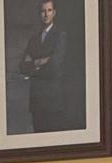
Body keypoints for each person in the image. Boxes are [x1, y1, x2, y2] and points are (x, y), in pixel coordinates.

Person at [18, 0, 67, 132]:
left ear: (54, 13)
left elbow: (54, 66)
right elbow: (22, 67)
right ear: (39, 14)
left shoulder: (60, 36)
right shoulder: (33, 40)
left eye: (49, 10)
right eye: (43, 11)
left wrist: (33, 66)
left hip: (53, 100)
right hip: (37, 100)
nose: (46, 14)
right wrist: (39, 62)